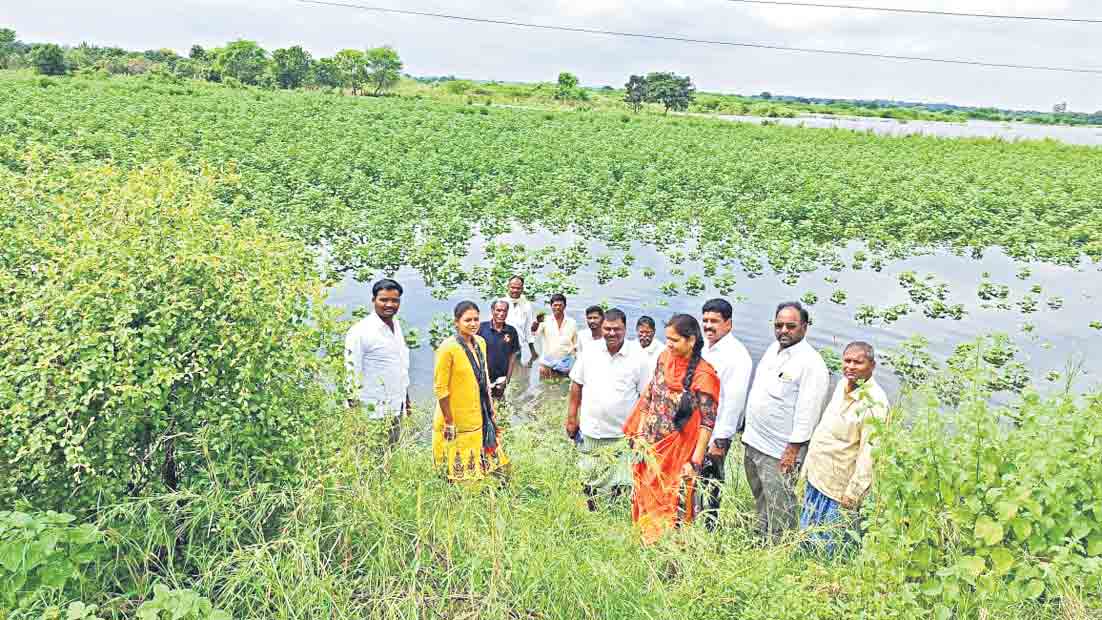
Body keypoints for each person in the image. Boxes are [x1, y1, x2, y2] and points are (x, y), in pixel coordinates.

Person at [623, 314, 720, 544]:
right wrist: (639, 433)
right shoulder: (664, 358)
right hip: (650, 446)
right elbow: (649, 396)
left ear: (691, 340)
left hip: (678, 453)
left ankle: (671, 558)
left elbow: (707, 423)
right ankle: (645, 545)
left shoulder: (705, 376)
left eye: (674, 340)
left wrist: (694, 461)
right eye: (667, 339)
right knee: (645, 496)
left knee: (673, 506)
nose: (669, 344)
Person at [742, 302, 830, 541]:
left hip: (779, 450)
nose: (783, 331)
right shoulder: (773, 350)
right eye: (779, 325)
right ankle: (761, 538)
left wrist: (792, 451)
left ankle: (781, 549)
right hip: (754, 442)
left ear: (804, 327)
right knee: (760, 495)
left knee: (781, 502)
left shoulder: (811, 364)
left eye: (790, 326)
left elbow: (808, 413)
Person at [800, 341, 890, 556]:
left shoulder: (875, 404)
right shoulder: (842, 385)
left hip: (838, 489)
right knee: (806, 535)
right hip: (818, 476)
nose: (850, 366)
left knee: (830, 543)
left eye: (858, 362)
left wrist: (854, 493)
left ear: (872, 366)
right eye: (847, 361)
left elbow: (870, 455)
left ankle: (825, 583)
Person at [566, 308, 649, 510]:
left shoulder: (638, 356)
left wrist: (640, 432)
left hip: (622, 436)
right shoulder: (591, 351)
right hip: (591, 430)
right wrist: (571, 418)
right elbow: (576, 385)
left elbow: (646, 398)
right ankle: (590, 514)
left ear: (625, 329)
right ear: (602, 327)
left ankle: (614, 516)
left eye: (617, 329)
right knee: (588, 478)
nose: (612, 333)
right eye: (607, 329)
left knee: (621, 483)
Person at [433, 301, 510, 482]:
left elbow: (484, 377)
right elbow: (441, 389)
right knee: (458, 476)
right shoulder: (448, 348)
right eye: (467, 320)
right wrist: (449, 421)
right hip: (455, 418)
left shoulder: (480, 343)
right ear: (456, 322)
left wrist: (491, 409)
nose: (473, 324)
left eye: (476, 319)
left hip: (479, 414)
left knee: (495, 469)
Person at [697, 298, 753, 529]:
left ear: (728, 324)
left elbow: (734, 402)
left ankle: (709, 527)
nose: (708, 326)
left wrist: (720, 440)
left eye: (714, 322)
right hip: (695, 428)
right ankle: (689, 519)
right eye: (705, 321)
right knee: (692, 477)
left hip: (715, 434)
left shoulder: (737, 357)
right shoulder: (703, 346)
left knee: (710, 482)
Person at [344, 278, 411, 446]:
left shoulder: (396, 325)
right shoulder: (360, 332)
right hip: (371, 412)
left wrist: (406, 399)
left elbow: (400, 366)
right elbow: (351, 373)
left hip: (395, 407)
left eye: (394, 300)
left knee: (391, 455)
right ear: (373, 300)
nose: (389, 305)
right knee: (370, 460)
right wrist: (355, 418)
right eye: (384, 300)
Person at [477, 300, 521, 400]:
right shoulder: (481, 328)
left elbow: (513, 356)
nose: (501, 314)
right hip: (483, 377)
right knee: (482, 406)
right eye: (498, 310)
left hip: (501, 378)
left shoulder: (511, 331)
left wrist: (507, 379)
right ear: (492, 311)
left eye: (504, 311)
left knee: (500, 405)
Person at [531, 293, 578, 379]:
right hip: (546, 363)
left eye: (560, 305)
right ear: (551, 306)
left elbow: (575, 343)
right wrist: (536, 323)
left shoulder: (572, 322)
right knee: (545, 389)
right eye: (555, 305)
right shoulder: (544, 320)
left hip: (565, 364)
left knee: (563, 389)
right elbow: (534, 334)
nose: (557, 308)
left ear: (565, 306)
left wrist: (576, 361)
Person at [502, 275, 538, 366]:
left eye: (518, 288)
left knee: (516, 376)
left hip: (517, 348)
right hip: (501, 346)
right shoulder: (501, 303)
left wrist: (532, 351)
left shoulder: (527, 306)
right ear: (508, 287)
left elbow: (528, 330)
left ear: (522, 289)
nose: (515, 290)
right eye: (513, 287)